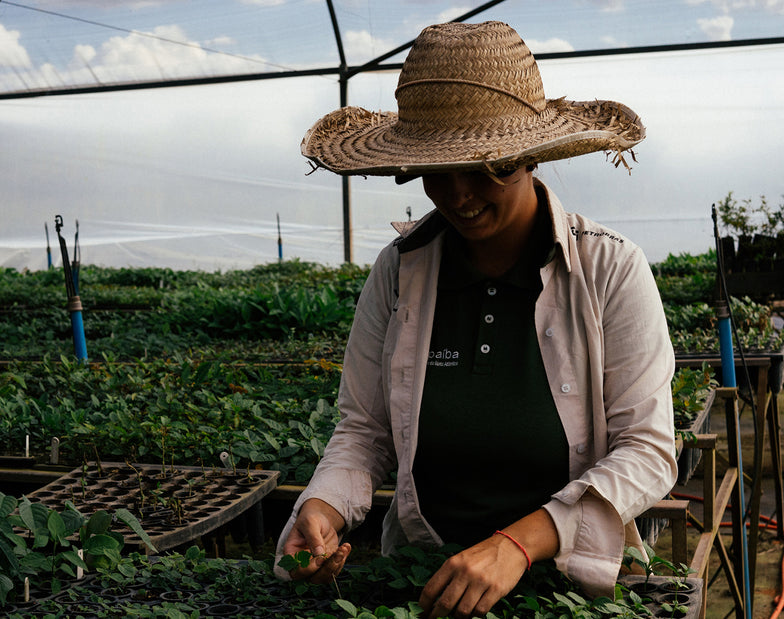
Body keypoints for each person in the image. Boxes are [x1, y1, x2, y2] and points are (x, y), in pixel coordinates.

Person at [276, 20, 677, 619]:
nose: (459, 194)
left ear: (531, 155)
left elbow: (646, 450)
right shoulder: (399, 272)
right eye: (437, 170)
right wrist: (323, 507)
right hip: (423, 582)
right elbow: (364, 430)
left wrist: (516, 545)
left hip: (565, 588)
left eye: (487, 167)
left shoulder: (607, 270)